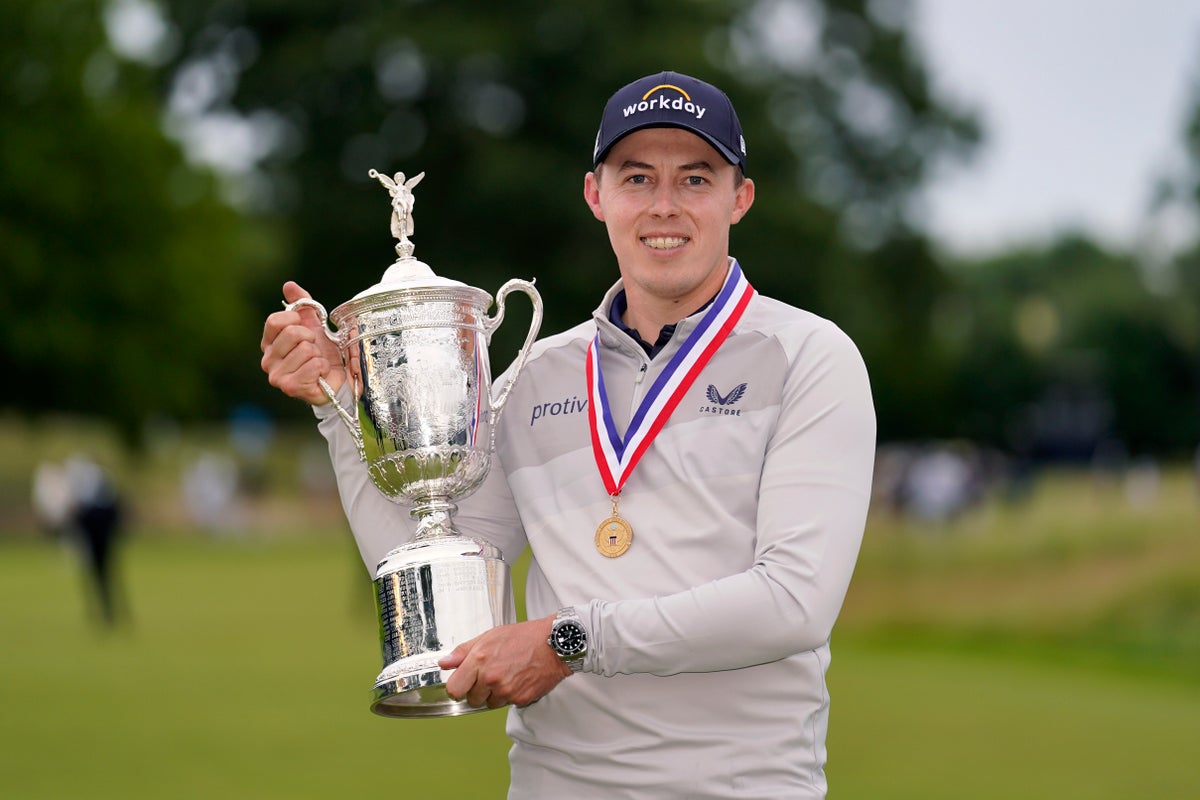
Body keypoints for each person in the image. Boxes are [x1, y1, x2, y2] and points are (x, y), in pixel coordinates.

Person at [261, 71, 875, 799]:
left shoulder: (809, 354)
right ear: (596, 195)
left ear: (739, 198)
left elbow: (793, 603)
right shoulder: (535, 374)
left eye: (696, 179)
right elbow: (426, 568)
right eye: (638, 177)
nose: (665, 206)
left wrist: (568, 642)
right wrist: (338, 405)